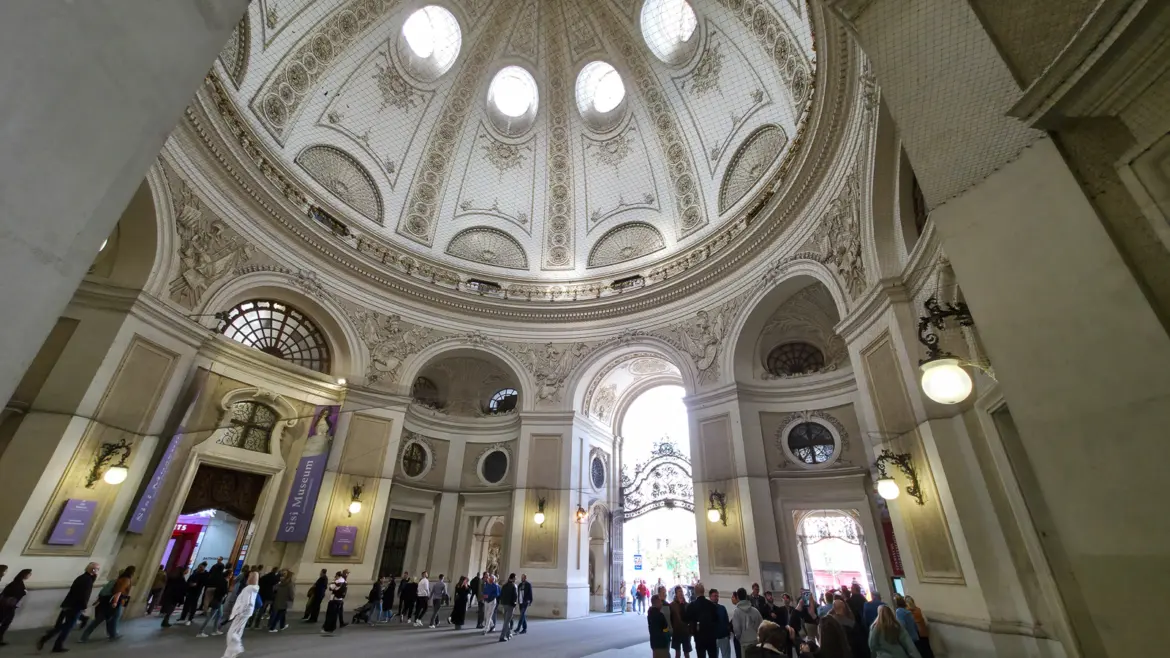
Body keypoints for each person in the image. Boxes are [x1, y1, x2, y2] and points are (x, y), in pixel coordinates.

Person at [36, 562, 98, 653]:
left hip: (69, 604)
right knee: (68, 626)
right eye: (97, 569)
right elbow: (84, 595)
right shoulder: (87, 580)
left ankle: (49, 640)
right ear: (92, 570)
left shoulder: (82, 577)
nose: (97, 571)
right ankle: (53, 643)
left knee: (65, 625)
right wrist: (84, 606)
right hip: (75, 606)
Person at [223, 570, 258, 658]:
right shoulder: (254, 588)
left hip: (242, 613)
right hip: (245, 613)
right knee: (236, 632)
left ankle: (235, 649)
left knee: (232, 633)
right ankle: (231, 654)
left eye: (249, 576)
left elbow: (246, 602)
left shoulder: (248, 589)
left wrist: (239, 611)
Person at [196, 565, 229, 637]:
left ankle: (215, 630)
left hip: (215, 596)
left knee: (219, 614)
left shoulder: (213, 576)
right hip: (218, 598)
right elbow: (222, 590)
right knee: (212, 615)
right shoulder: (222, 579)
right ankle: (201, 631)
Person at [0, 568, 31, 645]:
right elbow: (14, 593)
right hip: (8, 606)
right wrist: (23, 592)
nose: (29, 576)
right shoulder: (17, 583)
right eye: (29, 574)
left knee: (5, 622)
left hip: (8, 605)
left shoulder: (17, 582)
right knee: (5, 622)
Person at [732, 587, 763, 656]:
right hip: (755, 641)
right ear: (746, 596)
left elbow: (737, 629)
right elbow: (761, 626)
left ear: (738, 597)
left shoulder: (737, 612)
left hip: (744, 642)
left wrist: (741, 638)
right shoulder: (755, 610)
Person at [669, 585, 693, 658]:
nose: (681, 593)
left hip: (685, 632)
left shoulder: (687, 605)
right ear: (676, 593)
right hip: (676, 632)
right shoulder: (672, 605)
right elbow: (670, 619)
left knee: (686, 652)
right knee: (677, 653)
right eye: (679, 591)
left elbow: (690, 618)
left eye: (681, 591)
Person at [709, 589, 733, 658]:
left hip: (723, 636)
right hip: (712, 638)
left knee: (726, 656)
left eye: (717, 596)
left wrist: (728, 633)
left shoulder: (722, 608)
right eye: (714, 596)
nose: (716, 598)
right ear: (710, 597)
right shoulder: (707, 609)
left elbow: (726, 621)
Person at [495, 573, 517, 642]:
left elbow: (501, 595)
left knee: (506, 620)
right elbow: (515, 596)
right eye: (515, 578)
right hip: (510, 605)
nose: (516, 579)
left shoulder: (504, 585)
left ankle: (508, 634)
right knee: (507, 622)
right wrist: (514, 604)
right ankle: (502, 636)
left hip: (504, 604)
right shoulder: (514, 586)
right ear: (513, 578)